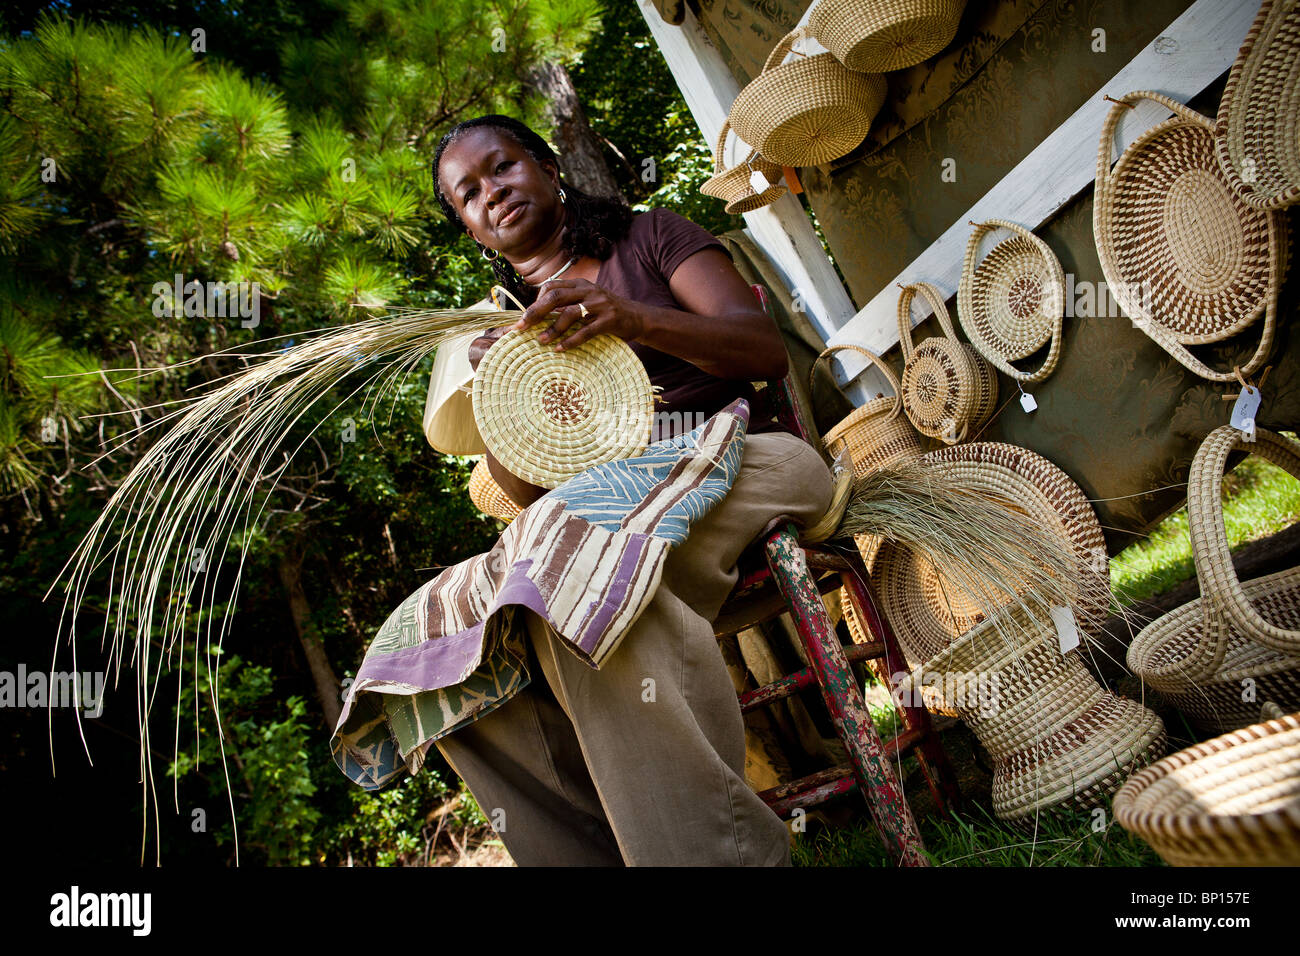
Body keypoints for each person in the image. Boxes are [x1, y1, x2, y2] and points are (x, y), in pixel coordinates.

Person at [426, 114, 833, 866]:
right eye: (470, 195)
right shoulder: (496, 332)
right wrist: (500, 393)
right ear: (472, 231)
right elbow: (522, 494)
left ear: (548, 167)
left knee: (592, 599)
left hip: (746, 455)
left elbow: (761, 350)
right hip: (613, 515)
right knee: (464, 650)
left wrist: (635, 318)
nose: (494, 194)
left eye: (504, 167)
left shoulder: (650, 238)